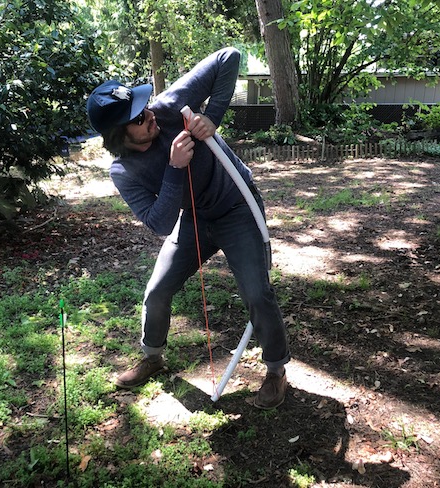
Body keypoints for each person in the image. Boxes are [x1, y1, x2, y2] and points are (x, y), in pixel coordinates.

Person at [86, 47, 290, 409]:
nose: (148, 114)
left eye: (142, 106)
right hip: (194, 219)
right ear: (120, 137)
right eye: (137, 118)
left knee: (257, 293)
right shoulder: (124, 172)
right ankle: (152, 356)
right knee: (157, 291)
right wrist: (174, 167)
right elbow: (160, 223)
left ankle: (276, 370)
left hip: (237, 207)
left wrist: (211, 117)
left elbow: (228, 57)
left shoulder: (167, 107)